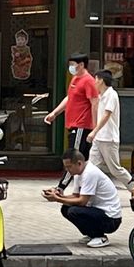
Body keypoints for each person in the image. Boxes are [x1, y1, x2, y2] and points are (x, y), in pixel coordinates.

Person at [42, 149, 122, 248]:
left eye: (69, 167)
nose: (67, 170)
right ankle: (91, 234)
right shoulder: (78, 174)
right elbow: (76, 196)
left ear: (79, 163)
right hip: (98, 212)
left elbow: (82, 201)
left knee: (74, 211)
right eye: (66, 167)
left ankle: (100, 237)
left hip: (111, 219)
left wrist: (57, 199)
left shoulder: (90, 173)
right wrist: (58, 195)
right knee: (66, 209)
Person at [44, 53, 98, 186]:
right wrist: (55, 113)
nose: (71, 67)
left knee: (72, 158)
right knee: (82, 160)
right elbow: (69, 98)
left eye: (73, 65)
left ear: (81, 65)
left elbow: (95, 103)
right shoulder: (75, 79)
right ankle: (82, 187)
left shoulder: (88, 81)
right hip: (73, 124)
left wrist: (95, 128)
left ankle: (61, 187)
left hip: (81, 126)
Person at [88, 70, 134, 192]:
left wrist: (94, 131)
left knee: (115, 169)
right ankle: (88, 191)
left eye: (96, 80)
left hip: (108, 138)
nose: (94, 82)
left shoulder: (112, 95)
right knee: (91, 167)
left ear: (101, 81)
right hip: (99, 138)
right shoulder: (101, 96)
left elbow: (106, 115)